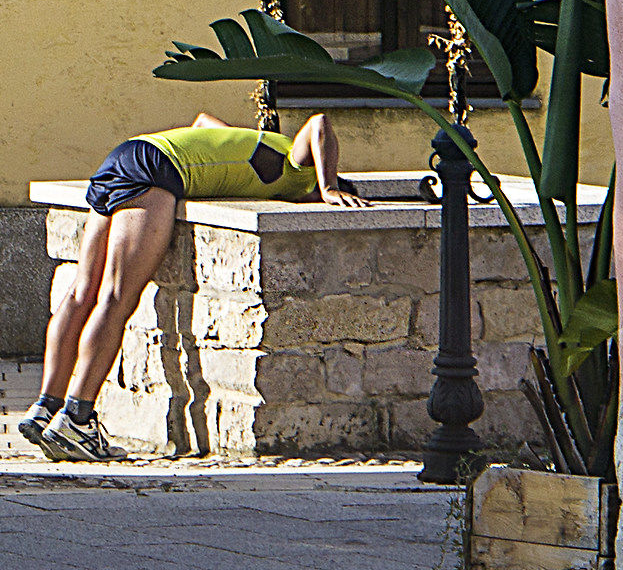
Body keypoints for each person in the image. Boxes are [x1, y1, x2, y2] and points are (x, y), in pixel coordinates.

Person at [24, 111, 366, 462]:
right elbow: (320, 124)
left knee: (83, 292)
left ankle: (45, 408)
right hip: (158, 172)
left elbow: (203, 123)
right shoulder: (297, 170)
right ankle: (77, 420)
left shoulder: (256, 147)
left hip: (127, 154)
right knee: (115, 297)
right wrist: (329, 187)